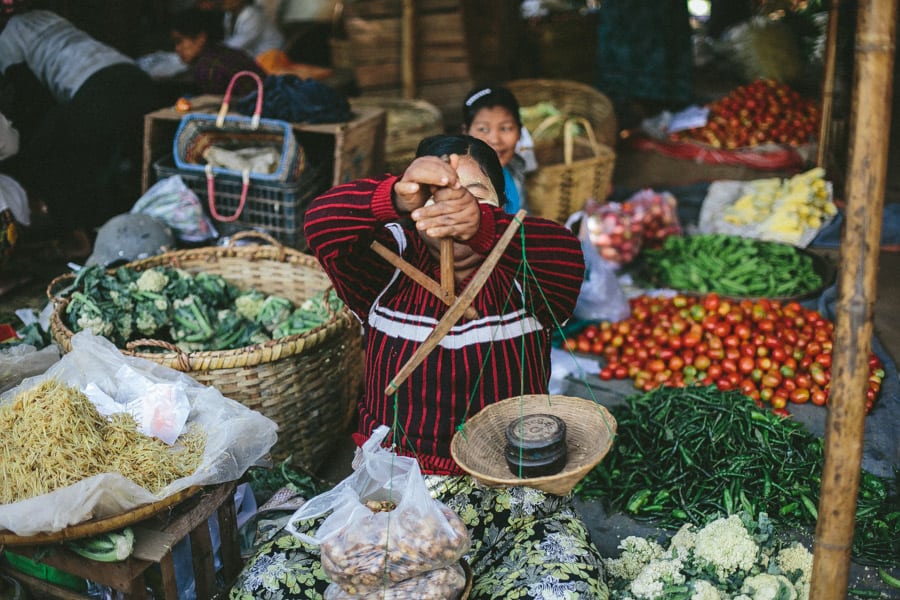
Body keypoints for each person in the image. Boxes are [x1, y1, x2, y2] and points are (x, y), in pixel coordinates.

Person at [230, 135, 609, 599]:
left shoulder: (524, 268)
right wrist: (392, 195)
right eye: (433, 196)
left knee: (561, 591)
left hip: (513, 492)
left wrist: (485, 229)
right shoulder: (383, 264)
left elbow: (567, 256)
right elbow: (321, 223)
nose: (453, 209)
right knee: (267, 586)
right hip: (393, 496)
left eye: (475, 193)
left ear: (502, 205)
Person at [0, 2, 161, 242]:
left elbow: (25, 94)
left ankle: (77, 235)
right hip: (135, 77)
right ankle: (128, 223)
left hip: (96, 88)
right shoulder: (46, 16)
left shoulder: (8, 37)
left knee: (48, 157)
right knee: (119, 158)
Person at [461, 85, 536, 215]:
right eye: (483, 129)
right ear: (465, 132)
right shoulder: (457, 183)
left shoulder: (516, 170)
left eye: (505, 128)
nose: (495, 140)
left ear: (519, 133)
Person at [170, 7, 266, 96]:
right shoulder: (227, 53)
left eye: (179, 42)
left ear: (201, 39)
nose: (177, 49)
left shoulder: (208, 69)